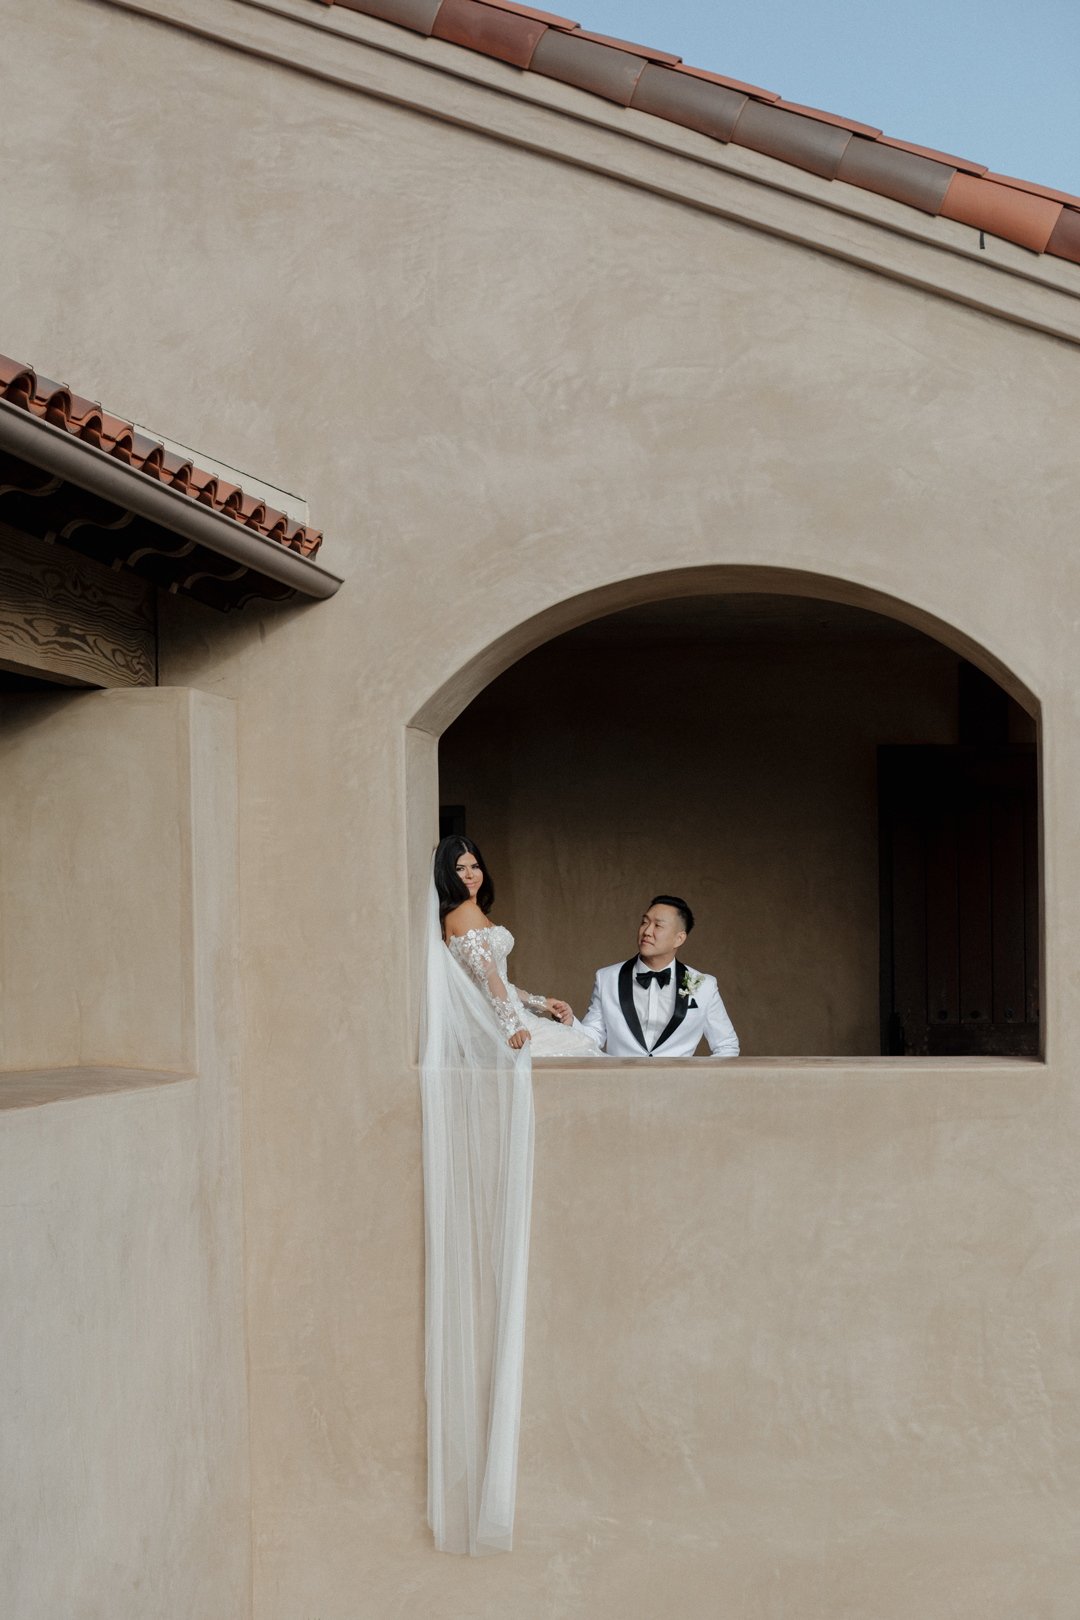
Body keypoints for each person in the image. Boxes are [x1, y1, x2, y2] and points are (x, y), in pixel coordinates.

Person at [438, 836, 601, 1059]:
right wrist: (512, 1027)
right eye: (460, 868)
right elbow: (488, 975)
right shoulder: (465, 911)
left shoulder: (469, 913)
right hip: (493, 1023)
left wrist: (540, 1002)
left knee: (582, 1046)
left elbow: (493, 978)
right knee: (582, 1047)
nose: (469, 875)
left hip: (505, 1014)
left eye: (475, 866)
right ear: (448, 874)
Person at [577, 895, 739, 1058]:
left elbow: (726, 1046)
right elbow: (591, 1039)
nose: (647, 931)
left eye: (658, 925)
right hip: (621, 1081)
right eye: (645, 922)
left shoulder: (703, 984)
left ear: (679, 938)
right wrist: (570, 1021)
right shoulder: (607, 978)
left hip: (678, 1082)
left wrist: (698, 1080)